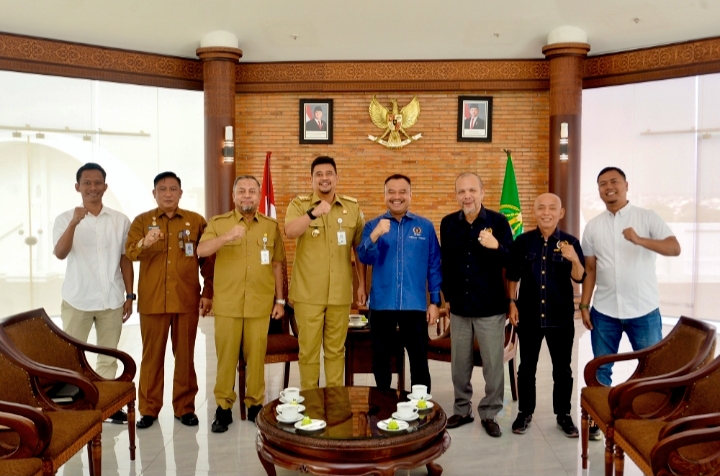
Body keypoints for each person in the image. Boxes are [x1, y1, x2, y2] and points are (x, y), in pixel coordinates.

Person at [580, 166, 681, 438]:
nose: (608, 187)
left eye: (614, 181)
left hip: (643, 311)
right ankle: (599, 421)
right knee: (601, 368)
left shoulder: (647, 217)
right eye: (603, 183)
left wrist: (639, 239)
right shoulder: (593, 226)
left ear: (626, 185)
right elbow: (590, 269)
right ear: (599, 190)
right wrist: (584, 305)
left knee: (652, 369)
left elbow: (674, 248)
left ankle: (651, 418)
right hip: (604, 311)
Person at [125, 171, 214, 429]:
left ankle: (185, 407)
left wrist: (208, 292)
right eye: (162, 189)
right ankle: (149, 409)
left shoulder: (196, 222)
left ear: (180, 193)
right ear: (154, 193)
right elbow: (130, 253)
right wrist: (145, 242)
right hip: (153, 301)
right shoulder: (142, 221)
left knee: (185, 357)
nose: (167, 194)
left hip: (186, 299)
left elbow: (208, 260)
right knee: (151, 357)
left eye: (173, 189)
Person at [197, 175, 286, 430]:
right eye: (242, 191)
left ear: (258, 196)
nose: (247, 195)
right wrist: (226, 237)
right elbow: (201, 250)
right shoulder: (219, 223)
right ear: (234, 196)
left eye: (252, 191)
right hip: (228, 303)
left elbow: (277, 264)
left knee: (256, 357)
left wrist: (280, 300)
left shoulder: (270, 226)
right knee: (226, 358)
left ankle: (255, 404)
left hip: (259, 302)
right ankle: (223, 407)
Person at [53, 161, 134, 424]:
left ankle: (107, 407)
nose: (93, 187)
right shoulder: (65, 218)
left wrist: (130, 296)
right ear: (77, 187)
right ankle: (76, 405)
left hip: (112, 298)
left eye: (98, 183)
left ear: (105, 187)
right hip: (78, 299)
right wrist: (74, 224)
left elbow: (125, 259)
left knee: (108, 356)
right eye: (87, 183)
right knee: (71, 357)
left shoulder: (120, 220)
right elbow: (60, 253)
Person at [440, 172, 512, 437]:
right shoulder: (448, 223)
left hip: (490, 306)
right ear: (456, 195)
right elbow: (445, 263)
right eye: (461, 191)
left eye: (472, 190)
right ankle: (462, 409)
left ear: (482, 193)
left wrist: (496, 246)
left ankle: (490, 412)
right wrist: (446, 298)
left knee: (493, 365)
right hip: (459, 307)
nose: (467, 196)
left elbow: (512, 261)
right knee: (460, 365)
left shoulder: (498, 221)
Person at [507, 193, 586, 437]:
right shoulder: (522, 242)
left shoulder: (571, 242)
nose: (546, 212)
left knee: (562, 370)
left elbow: (579, 277)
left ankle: (563, 415)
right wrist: (512, 303)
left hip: (560, 317)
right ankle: (524, 412)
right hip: (529, 316)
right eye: (541, 208)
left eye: (552, 208)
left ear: (561, 213)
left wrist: (574, 259)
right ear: (534, 212)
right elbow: (513, 275)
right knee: (526, 368)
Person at [285, 156, 367, 390]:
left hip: (339, 293)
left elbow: (359, 249)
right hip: (308, 294)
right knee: (309, 352)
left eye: (329, 173)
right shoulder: (299, 205)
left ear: (337, 178)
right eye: (318, 174)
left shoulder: (352, 208)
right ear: (311, 179)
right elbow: (290, 231)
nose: (324, 178)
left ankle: (334, 401)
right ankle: (311, 401)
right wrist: (313, 213)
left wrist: (362, 285)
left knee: (336, 351)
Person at [357, 174, 441, 391]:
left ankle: (420, 405)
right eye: (391, 192)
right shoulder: (373, 225)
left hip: (414, 305)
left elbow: (434, 265)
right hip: (381, 305)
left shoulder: (425, 227)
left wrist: (435, 302)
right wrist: (375, 235)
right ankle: (384, 403)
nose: (397, 197)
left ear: (410, 195)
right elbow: (364, 257)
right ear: (384, 195)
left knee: (419, 360)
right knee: (381, 359)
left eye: (402, 192)